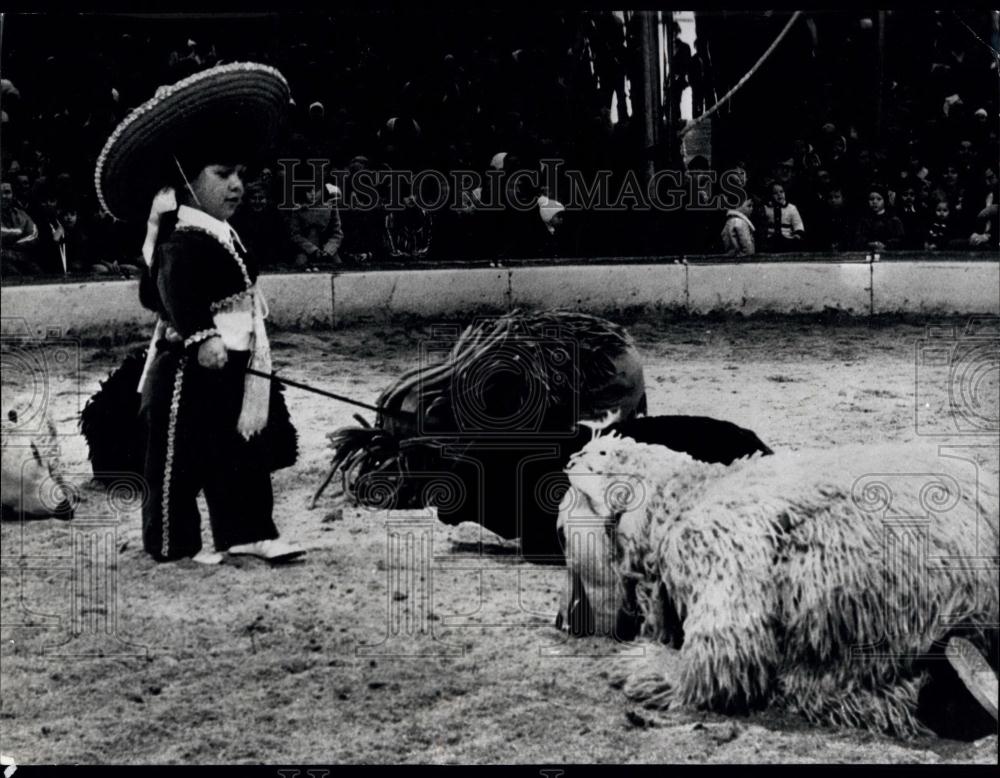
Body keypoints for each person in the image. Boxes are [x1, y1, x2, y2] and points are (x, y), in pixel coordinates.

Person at [94, 62, 304, 565]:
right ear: (187, 182)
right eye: (222, 174)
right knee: (176, 460)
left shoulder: (220, 232)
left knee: (240, 451)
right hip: (190, 367)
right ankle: (173, 543)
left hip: (231, 363)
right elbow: (171, 292)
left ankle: (247, 531)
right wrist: (203, 334)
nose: (236, 185)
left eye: (239, 175)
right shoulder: (183, 239)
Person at [854, 186, 904, 251]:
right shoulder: (864, 220)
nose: (874, 202)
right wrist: (870, 244)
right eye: (871, 199)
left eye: (879, 199)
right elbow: (859, 238)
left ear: (885, 200)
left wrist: (885, 245)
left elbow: (900, 239)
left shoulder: (893, 220)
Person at [763, 182, 805, 251]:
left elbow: (798, 223)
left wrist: (798, 233)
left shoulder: (791, 208)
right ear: (770, 195)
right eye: (775, 193)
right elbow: (763, 224)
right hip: (771, 239)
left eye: (781, 192)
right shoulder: (766, 208)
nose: (779, 195)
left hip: (788, 238)